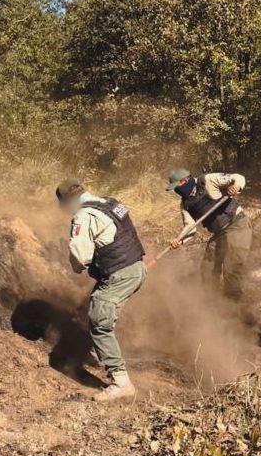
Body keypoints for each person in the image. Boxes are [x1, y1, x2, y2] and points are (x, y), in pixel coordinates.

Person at [56, 179, 146, 402]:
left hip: (120, 274)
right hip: (136, 267)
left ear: (68, 202)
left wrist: (76, 267)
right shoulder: (110, 202)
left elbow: (80, 256)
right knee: (95, 306)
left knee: (99, 322)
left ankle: (121, 383)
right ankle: (101, 351)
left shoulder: (83, 216)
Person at [166, 168, 251, 300]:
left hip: (237, 224)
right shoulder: (185, 204)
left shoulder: (208, 180)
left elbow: (238, 176)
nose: (176, 190)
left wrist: (236, 186)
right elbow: (190, 227)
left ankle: (235, 308)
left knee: (231, 268)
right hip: (219, 233)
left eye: (177, 186)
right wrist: (179, 240)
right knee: (208, 268)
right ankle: (213, 303)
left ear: (185, 180)